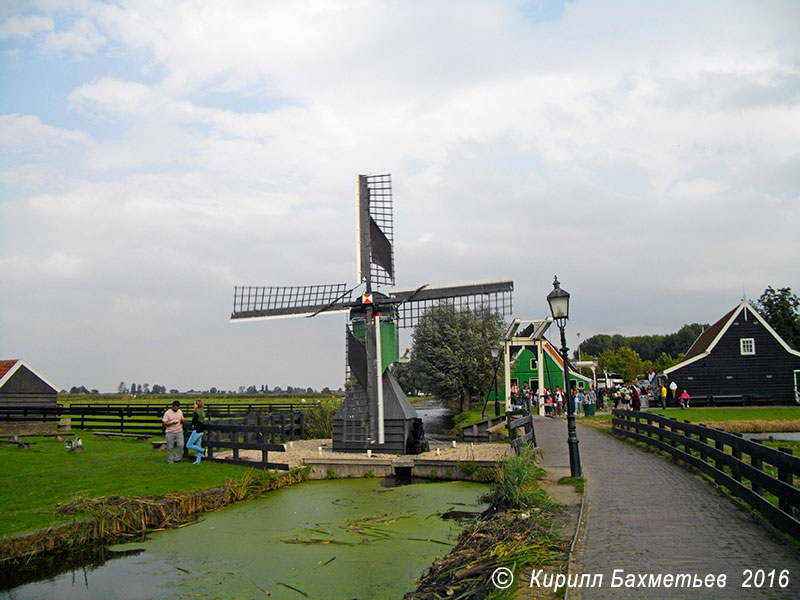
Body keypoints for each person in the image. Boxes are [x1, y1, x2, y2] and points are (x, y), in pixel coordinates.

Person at [186, 399, 207, 464]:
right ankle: (198, 460)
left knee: (188, 445)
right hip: (201, 430)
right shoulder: (202, 412)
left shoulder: (196, 412)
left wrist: (192, 425)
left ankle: (203, 450)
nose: (193, 405)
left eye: (194, 404)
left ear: (197, 405)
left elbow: (194, 420)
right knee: (198, 444)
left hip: (196, 430)